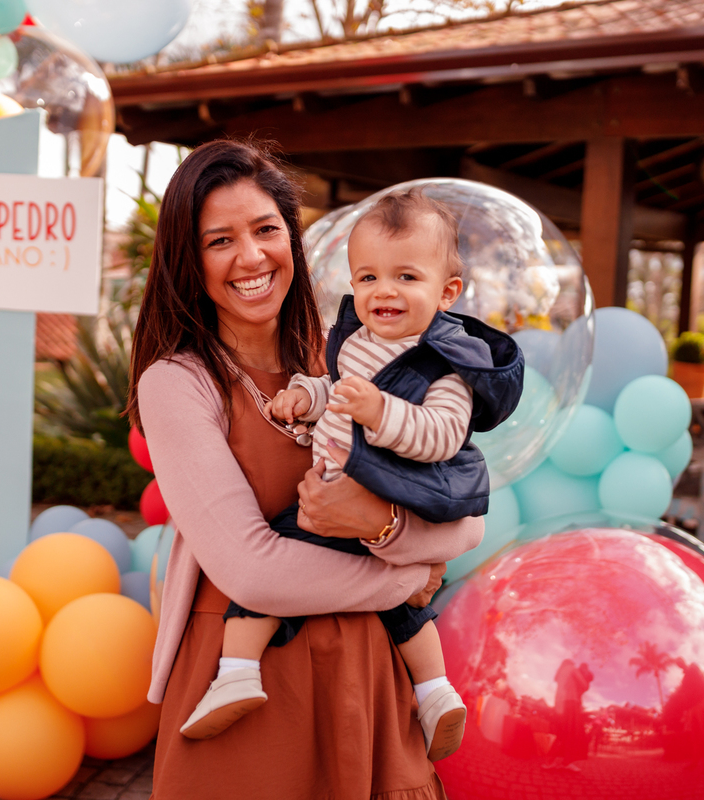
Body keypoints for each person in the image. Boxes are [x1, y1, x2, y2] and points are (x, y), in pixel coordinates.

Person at [127, 139, 485, 800]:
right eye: (219, 240)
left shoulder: (350, 360)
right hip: (248, 682)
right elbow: (252, 569)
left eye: (266, 230)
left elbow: (465, 522)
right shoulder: (177, 383)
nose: (252, 256)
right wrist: (403, 574)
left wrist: (379, 523)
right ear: (187, 259)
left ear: (292, 239)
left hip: (367, 676)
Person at [179, 189, 523, 764]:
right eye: (367, 278)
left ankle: (426, 691)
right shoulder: (357, 343)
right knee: (396, 599)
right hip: (345, 501)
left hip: (390, 495)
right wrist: (306, 394)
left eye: (406, 276)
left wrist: (379, 414)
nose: (383, 291)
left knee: (315, 555)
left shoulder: (445, 370)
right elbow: (336, 391)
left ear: (447, 293)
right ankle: (248, 676)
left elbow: (441, 435)